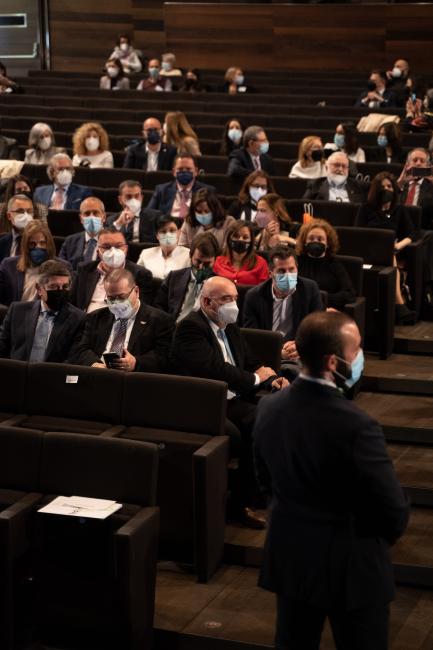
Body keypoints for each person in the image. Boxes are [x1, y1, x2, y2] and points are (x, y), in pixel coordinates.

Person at [253, 311, 409, 650]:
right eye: (357, 350)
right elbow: (393, 510)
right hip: (351, 568)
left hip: (291, 556)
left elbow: (264, 480)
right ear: (333, 361)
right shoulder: (358, 425)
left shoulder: (269, 408)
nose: (361, 356)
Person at [171, 275, 288, 529]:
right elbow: (214, 369)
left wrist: (271, 380)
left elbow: (248, 360)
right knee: (246, 433)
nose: (233, 304)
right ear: (206, 302)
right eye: (226, 299)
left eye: (235, 298)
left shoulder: (228, 323)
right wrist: (257, 378)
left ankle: (261, 494)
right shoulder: (190, 328)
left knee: (271, 419)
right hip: (204, 402)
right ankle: (239, 505)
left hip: (233, 398)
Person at [75, 268, 173, 373]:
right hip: (98, 376)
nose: (116, 303)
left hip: (135, 380)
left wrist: (136, 362)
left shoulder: (160, 320)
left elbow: (163, 357)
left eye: (121, 297)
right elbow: (81, 348)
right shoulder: (95, 317)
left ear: (136, 291)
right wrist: (95, 364)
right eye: (111, 298)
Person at [243, 246, 323, 374]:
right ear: (270, 273)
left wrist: (300, 346)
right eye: (281, 271)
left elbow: (317, 328)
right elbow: (252, 338)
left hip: (300, 354)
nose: (287, 275)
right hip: (266, 356)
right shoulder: (254, 296)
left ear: (297, 268)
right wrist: (277, 352)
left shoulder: (310, 289)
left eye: (291, 269)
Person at [358, 171, 418, 324]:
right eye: (382, 186)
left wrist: (399, 245)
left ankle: (397, 306)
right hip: (368, 251)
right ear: (376, 190)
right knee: (389, 256)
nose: (386, 189)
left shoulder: (399, 210)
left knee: (390, 255)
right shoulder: (366, 208)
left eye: (389, 186)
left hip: (392, 251)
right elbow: (357, 232)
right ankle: (400, 305)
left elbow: (412, 233)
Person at [0, 260, 85, 363]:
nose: (60, 291)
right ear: (39, 289)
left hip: (54, 376)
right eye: (53, 286)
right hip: (17, 375)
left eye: (65, 287)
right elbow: (2, 347)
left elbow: (74, 357)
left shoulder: (78, 318)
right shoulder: (17, 311)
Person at [70, 227, 153, 313]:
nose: (113, 251)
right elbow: (72, 302)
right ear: (98, 251)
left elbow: (142, 310)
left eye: (118, 246)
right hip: (85, 320)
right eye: (107, 247)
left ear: (126, 249)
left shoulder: (140, 274)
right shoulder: (85, 269)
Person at [154, 233, 219, 321]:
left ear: (215, 260)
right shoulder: (173, 278)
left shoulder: (221, 287)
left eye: (207, 264)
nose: (201, 267)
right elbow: (158, 309)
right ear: (190, 256)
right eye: (198, 261)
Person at [0, 220, 67, 306]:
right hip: (14, 316)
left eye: (42, 243)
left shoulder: (62, 267)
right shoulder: (8, 266)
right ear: (25, 246)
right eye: (32, 244)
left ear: (49, 244)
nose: (38, 247)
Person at [296, 219, 356, 310]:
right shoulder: (297, 262)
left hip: (327, 311)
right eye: (311, 238)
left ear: (327, 244)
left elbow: (349, 294)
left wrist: (323, 299)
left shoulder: (334, 264)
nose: (315, 242)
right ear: (305, 242)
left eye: (320, 239)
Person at [147, 154, 215, 217]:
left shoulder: (207, 192)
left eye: (188, 169)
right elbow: (148, 214)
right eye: (180, 169)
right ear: (174, 172)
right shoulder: (161, 190)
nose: (184, 172)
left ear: (196, 171)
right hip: (168, 228)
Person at [213, 221, 269, 286]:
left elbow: (263, 291)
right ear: (229, 239)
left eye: (245, 237)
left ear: (251, 241)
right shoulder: (218, 262)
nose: (240, 240)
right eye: (236, 236)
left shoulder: (261, 263)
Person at [59, 197, 107, 270]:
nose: (91, 217)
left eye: (95, 213)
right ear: (81, 219)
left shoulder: (114, 241)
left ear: (104, 217)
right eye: (87, 214)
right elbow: (61, 269)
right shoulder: (70, 242)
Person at [137, 214, 190, 280]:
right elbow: (137, 278)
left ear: (179, 233)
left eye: (172, 230)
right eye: (163, 231)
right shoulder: (145, 254)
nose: (168, 234)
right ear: (157, 235)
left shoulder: (188, 255)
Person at [397, 148, 433, 229]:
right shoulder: (399, 184)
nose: (418, 163)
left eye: (422, 161)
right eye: (415, 160)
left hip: (423, 231)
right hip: (399, 228)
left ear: (427, 166)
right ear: (408, 164)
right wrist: (399, 184)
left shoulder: (431, 186)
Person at [0, 194, 36, 263]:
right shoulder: (1, 242)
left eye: (29, 211)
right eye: (20, 211)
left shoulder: (41, 241)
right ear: (9, 216)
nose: (26, 215)